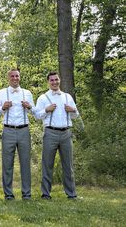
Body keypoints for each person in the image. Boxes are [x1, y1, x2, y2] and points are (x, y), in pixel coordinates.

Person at [35, 71, 79, 199]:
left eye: (56, 79)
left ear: (59, 80)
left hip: (66, 133)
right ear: (48, 82)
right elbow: (37, 116)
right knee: (47, 164)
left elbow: (75, 115)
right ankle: (46, 194)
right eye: (52, 80)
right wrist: (46, 110)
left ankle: (71, 194)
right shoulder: (43, 98)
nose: (54, 82)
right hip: (50, 133)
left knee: (68, 165)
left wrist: (73, 110)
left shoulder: (67, 97)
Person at [0, 69, 35, 200]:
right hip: (8, 130)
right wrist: (3, 107)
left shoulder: (27, 93)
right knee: (7, 164)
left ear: (20, 77)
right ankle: (8, 195)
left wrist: (29, 107)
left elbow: (35, 112)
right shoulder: (1, 93)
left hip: (24, 129)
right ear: (8, 78)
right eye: (12, 76)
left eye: (17, 76)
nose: (15, 78)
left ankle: (27, 194)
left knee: (25, 163)